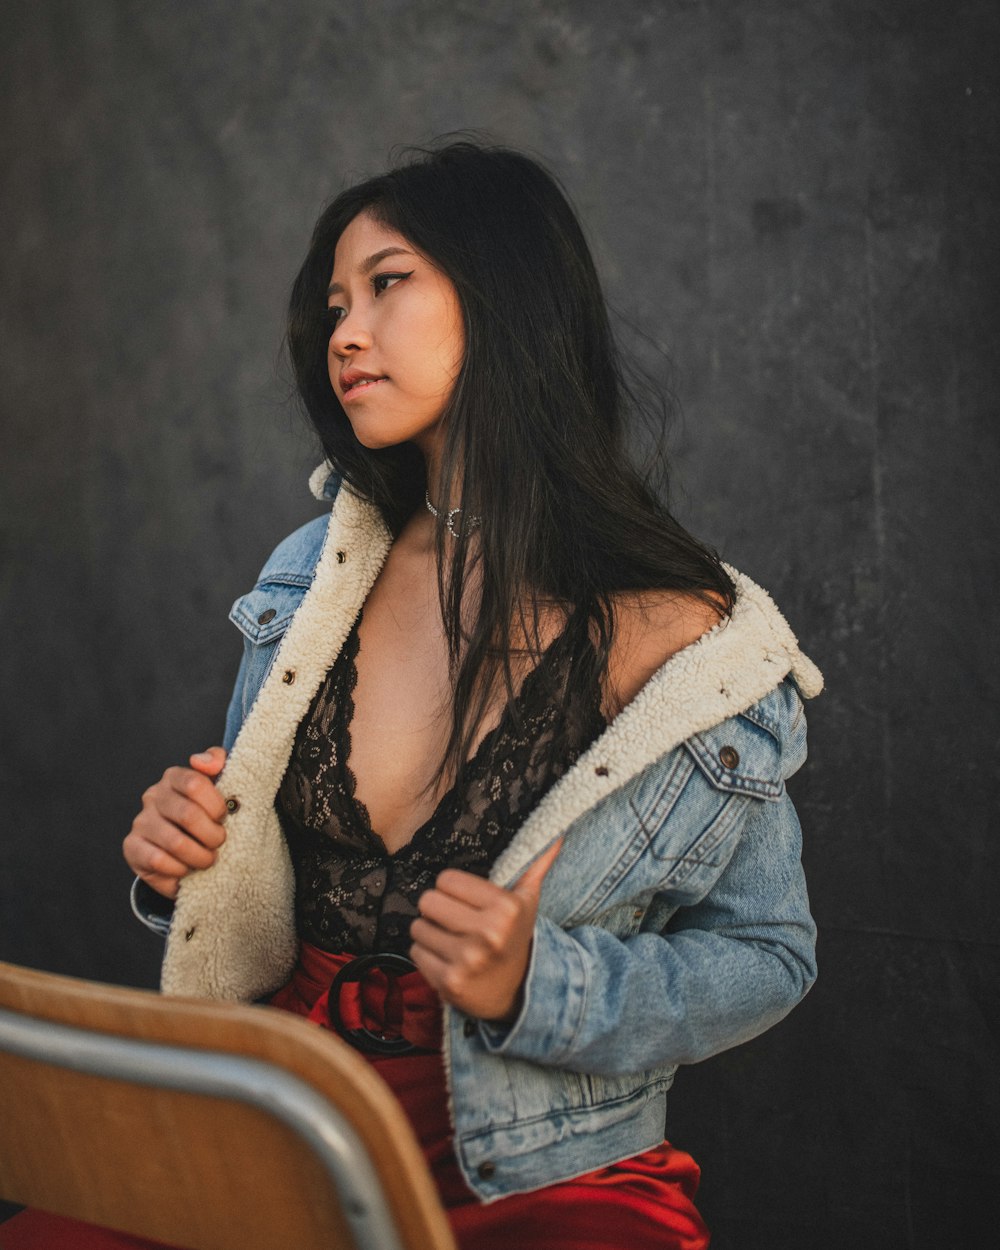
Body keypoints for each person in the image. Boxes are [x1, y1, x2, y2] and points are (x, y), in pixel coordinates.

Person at [7, 141, 822, 1250]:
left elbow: (770, 953)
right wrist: (186, 849)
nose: (343, 331)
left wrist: (542, 980)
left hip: (532, 1161)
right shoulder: (315, 572)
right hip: (281, 1109)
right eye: (334, 303)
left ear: (505, 293)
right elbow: (261, 874)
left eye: (388, 282)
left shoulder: (691, 639)